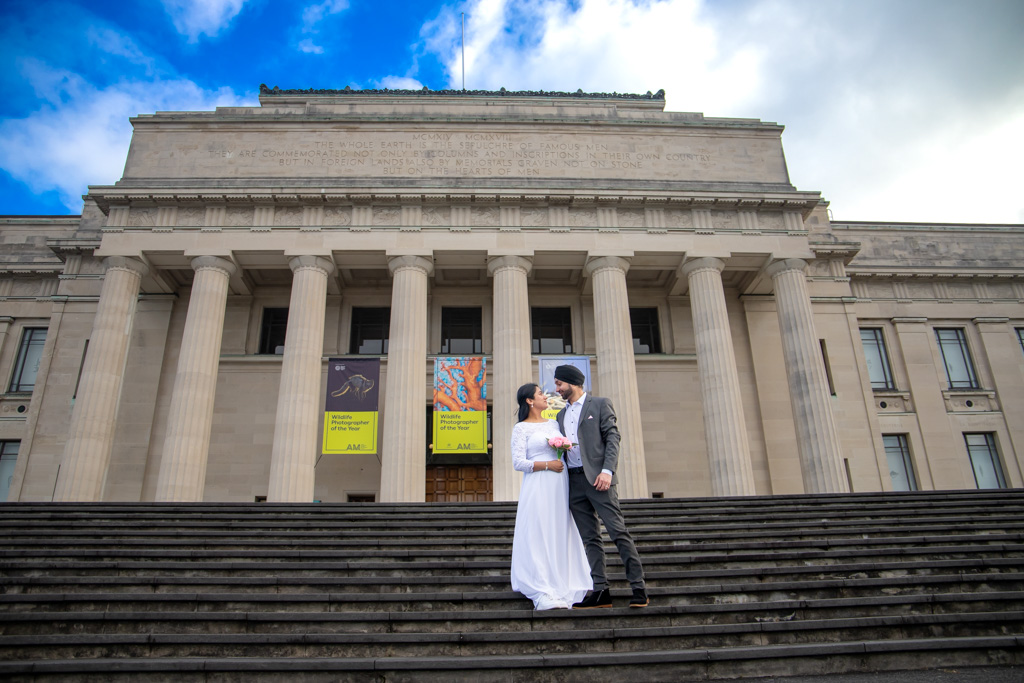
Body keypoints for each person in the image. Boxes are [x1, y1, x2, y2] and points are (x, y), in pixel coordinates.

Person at [554, 364, 648, 608]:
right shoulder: (560, 415)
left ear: (572, 383)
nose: (556, 389)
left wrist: (607, 471)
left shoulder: (599, 404)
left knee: (618, 532)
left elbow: (613, 437)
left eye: (559, 384)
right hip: (574, 483)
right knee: (590, 539)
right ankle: (600, 590)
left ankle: (638, 587)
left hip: (599, 480)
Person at [509, 382, 593, 610]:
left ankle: (563, 580)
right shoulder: (521, 429)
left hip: (560, 485)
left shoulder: (554, 423)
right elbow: (518, 462)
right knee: (539, 531)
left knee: (559, 530)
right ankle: (542, 587)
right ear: (529, 400)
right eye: (539, 394)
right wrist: (547, 464)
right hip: (538, 484)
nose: (545, 397)